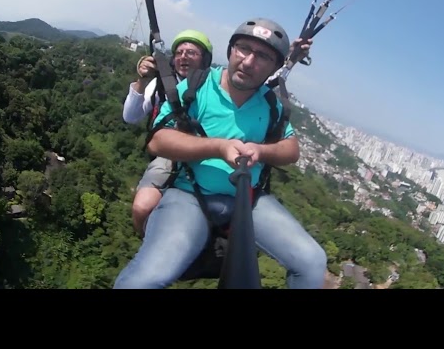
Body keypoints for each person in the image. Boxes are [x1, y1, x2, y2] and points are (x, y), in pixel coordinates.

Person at [113, 17, 328, 289]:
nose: (248, 62)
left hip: (248, 198)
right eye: (243, 49)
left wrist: (261, 151)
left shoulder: (270, 103)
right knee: (143, 281)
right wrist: (218, 147)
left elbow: (291, 148)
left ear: (276, 67)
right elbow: (158, 141)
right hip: (190, 192)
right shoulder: (197, 86)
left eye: (262, 56)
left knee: (311, 262)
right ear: (230, 51)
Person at [122, 29, 213, 237]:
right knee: (142, 206)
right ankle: (147, 238)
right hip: (168, 155)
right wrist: (142, 81)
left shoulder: (213, 87)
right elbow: (130, 116)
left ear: (204, 59)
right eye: (179, 52)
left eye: (191, 53)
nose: (183, 57)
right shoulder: (161, 84)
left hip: (205, 153)